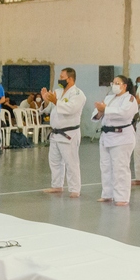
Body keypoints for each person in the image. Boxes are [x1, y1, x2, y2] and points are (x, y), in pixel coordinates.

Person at [93, 75, 138, 205]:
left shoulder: (130, 99)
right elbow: (97, 114)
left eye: (117, 83)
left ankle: (122, 197)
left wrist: (105, 109)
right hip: (106, 135)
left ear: (125, 86)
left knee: (120, 168)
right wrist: (100, 112)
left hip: (121, 136)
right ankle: (107, 194)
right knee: (106, 166)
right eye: (113, 83)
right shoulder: (109, 98)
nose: (114, 85)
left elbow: (124, 113)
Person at [42, 68, 86, 197]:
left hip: (69, 134)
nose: (59, 79)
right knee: (54, 161)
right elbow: (48, 109)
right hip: (55, 133)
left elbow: (71, 109)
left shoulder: (78, 94)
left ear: (70, 79)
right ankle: (57, 186)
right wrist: (46, 100)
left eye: (62, 77)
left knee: (71, 162)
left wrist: (55, 101)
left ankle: (75, 189)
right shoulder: (58, 92)